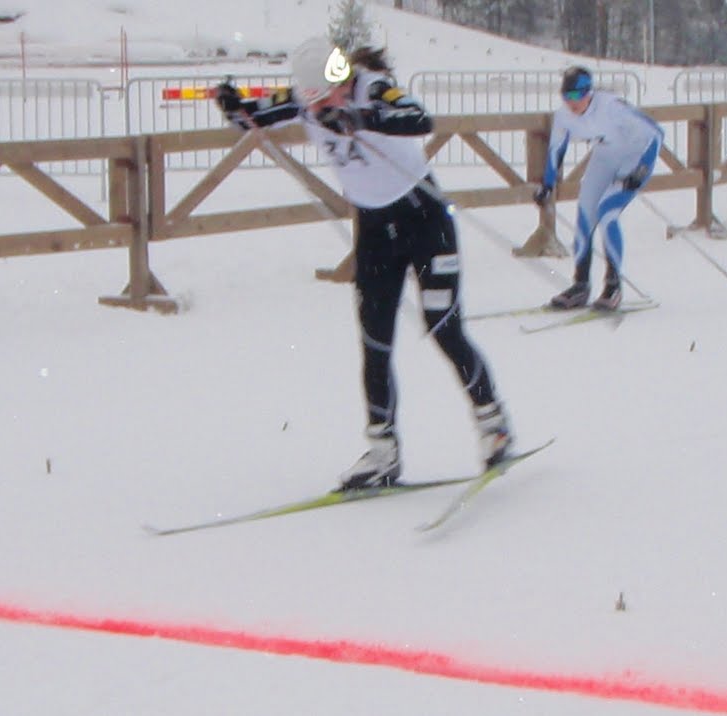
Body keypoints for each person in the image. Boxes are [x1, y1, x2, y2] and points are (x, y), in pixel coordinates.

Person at [212, 37, 514, 490]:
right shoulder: (304, 99)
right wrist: (232, 104)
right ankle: (382, 452)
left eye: (328, 99)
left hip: (426, 222)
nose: (321, 109)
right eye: (314, 103)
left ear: (343, 80)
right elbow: (253, 115)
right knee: (375, 341)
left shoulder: (373, 89)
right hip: (375, 232)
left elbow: (418, 118)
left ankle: (493, 425)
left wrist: (359, 118)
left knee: (443, 328)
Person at [534, 66, 664, 311]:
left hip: (634, 157)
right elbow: (556, 149)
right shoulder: (563, 116)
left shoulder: (611, 107)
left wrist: (641, 170)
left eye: (577, 96)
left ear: (589, 93)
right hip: (604, 156)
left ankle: (613, 286)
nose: (572, 103)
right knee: (585, 215)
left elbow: (655, 133)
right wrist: (547, 184)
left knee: (607, 213)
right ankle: (580, 285)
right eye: (566, 96)